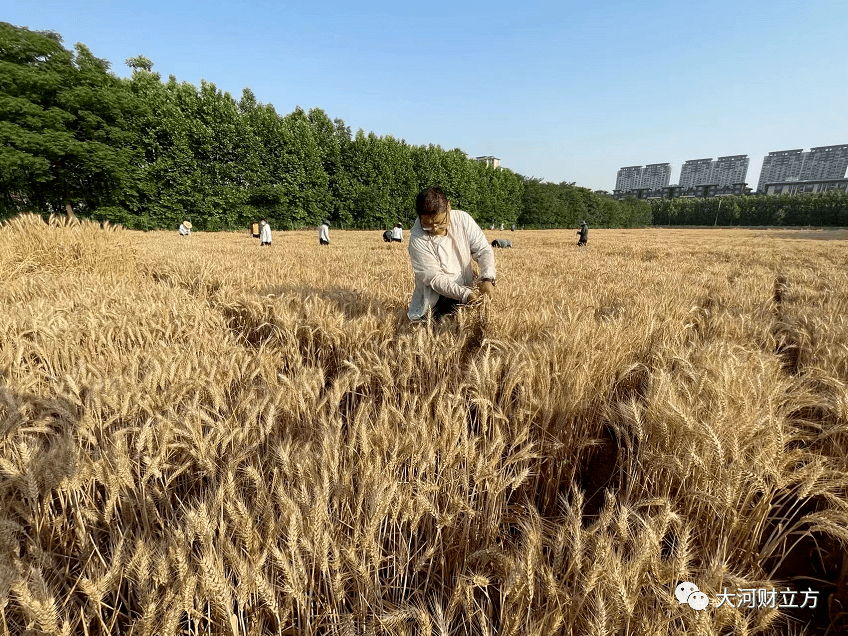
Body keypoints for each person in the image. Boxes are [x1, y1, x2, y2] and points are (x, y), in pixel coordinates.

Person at [407, 187, 496, 322]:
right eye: (427, 225)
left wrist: (487, 278)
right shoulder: (417, 240)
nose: (435, 229)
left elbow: (483, 249)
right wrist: (466, 294)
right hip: (435, 303)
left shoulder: (463, 220)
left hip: (466, 295)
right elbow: (435, 279)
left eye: (439, 223)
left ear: (448, 206)